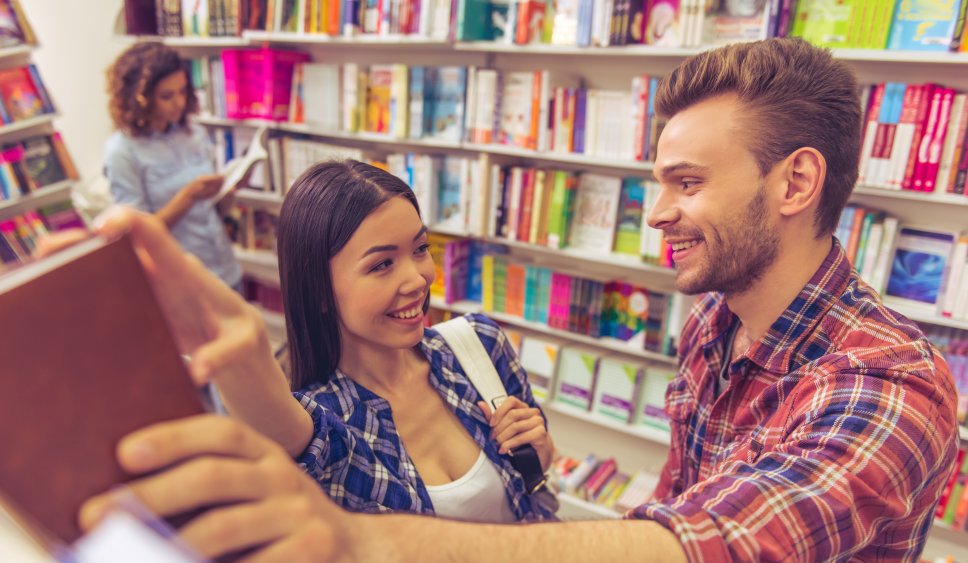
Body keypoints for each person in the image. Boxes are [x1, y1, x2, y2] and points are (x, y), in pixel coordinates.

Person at [78, 37, 958, 562]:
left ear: (796, 180)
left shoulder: (888, 389)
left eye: (686, 182)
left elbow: (693, 547)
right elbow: (680, 503)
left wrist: (363, 542)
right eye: (658, 181)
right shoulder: (720, 322)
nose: (655, 212)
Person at [90, 159, 556, 527]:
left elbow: (533, 489)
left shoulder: (479, 345)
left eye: (419, 248)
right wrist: (236, 346)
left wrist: (538, 453)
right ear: (319, 289)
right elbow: (287, 428)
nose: (417, 279)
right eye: (381, 265)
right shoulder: (332, 422)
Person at [103, 42, 242, 290]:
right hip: (182, 279)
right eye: (167, 96)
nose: (178, 103)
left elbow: (214, 213)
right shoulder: (122, 152)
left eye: (182, 92)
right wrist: (187, 197)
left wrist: (227, 193)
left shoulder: (194, 134)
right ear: (138, 98)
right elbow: (137, 236)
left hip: (223, 266)